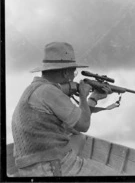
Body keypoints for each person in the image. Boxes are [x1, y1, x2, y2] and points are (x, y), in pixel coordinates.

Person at [12, 42, 121, 176]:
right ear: (65, 72)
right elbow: (84, 125)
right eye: (73, 72)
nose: (73, 76)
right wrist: (82, 95)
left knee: (79, 138)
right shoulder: (50, 92)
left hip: (32, 166)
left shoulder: (36, 88)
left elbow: (75, 126)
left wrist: (93, 99)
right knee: (117, 176)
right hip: (51, 167)